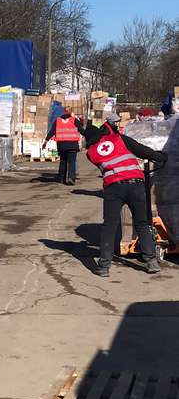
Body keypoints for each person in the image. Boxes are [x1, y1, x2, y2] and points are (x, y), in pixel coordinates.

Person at [85, 111, 168, 277]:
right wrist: (161, 157)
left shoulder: (91, 153)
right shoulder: (119, 139)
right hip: (135, 185)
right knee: (142, 223)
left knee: (109, 225)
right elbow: (143, 151)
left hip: (112, 188)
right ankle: (151, 261)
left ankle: (103, 266)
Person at [43, 108, 85, 185]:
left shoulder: (57, 121)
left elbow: (52, 131)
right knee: (72, 162)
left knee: (63, 161)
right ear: (70, 113)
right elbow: (82, 130)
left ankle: (62, 178)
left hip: (61, 146)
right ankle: (71, 178)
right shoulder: (74, 120)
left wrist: (46, 141)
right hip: (72, 146)